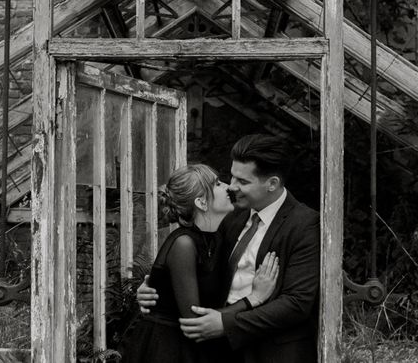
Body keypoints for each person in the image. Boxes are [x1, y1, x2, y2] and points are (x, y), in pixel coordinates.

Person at [137, 134, 320, 363]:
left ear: (272, 184)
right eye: (231, 177)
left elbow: (297, 303)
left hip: (273, 352)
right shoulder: (230, 217)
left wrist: (226, 324)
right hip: (217, 350)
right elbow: (201, 272)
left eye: (243, 182)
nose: (232, 187)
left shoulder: (305, 224)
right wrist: (156, 290)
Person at [123, 163, 280, 363]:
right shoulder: (184, 244)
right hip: (166, 350)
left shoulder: (217, 237)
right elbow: (194, 322)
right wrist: (254, 298)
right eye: (217, 184)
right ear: (202, 202)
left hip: (194, 349)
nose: (228, 187)